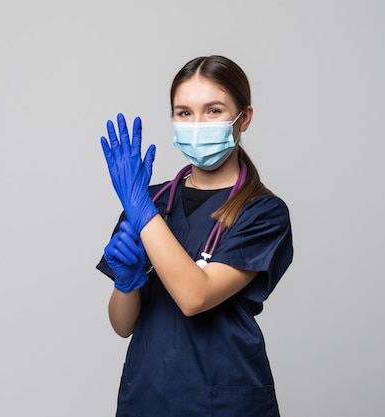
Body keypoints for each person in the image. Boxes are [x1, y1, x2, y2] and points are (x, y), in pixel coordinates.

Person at [96, 55, 294, 416]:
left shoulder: (262, 212)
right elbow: (122, 325)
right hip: (148, 395)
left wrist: (141, 211)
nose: (197, 124)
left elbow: (194, 297)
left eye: (213, 110)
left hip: (225, 400)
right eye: (184, 113)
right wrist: (125, 283)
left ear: (243, 118)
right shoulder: (151, 200)